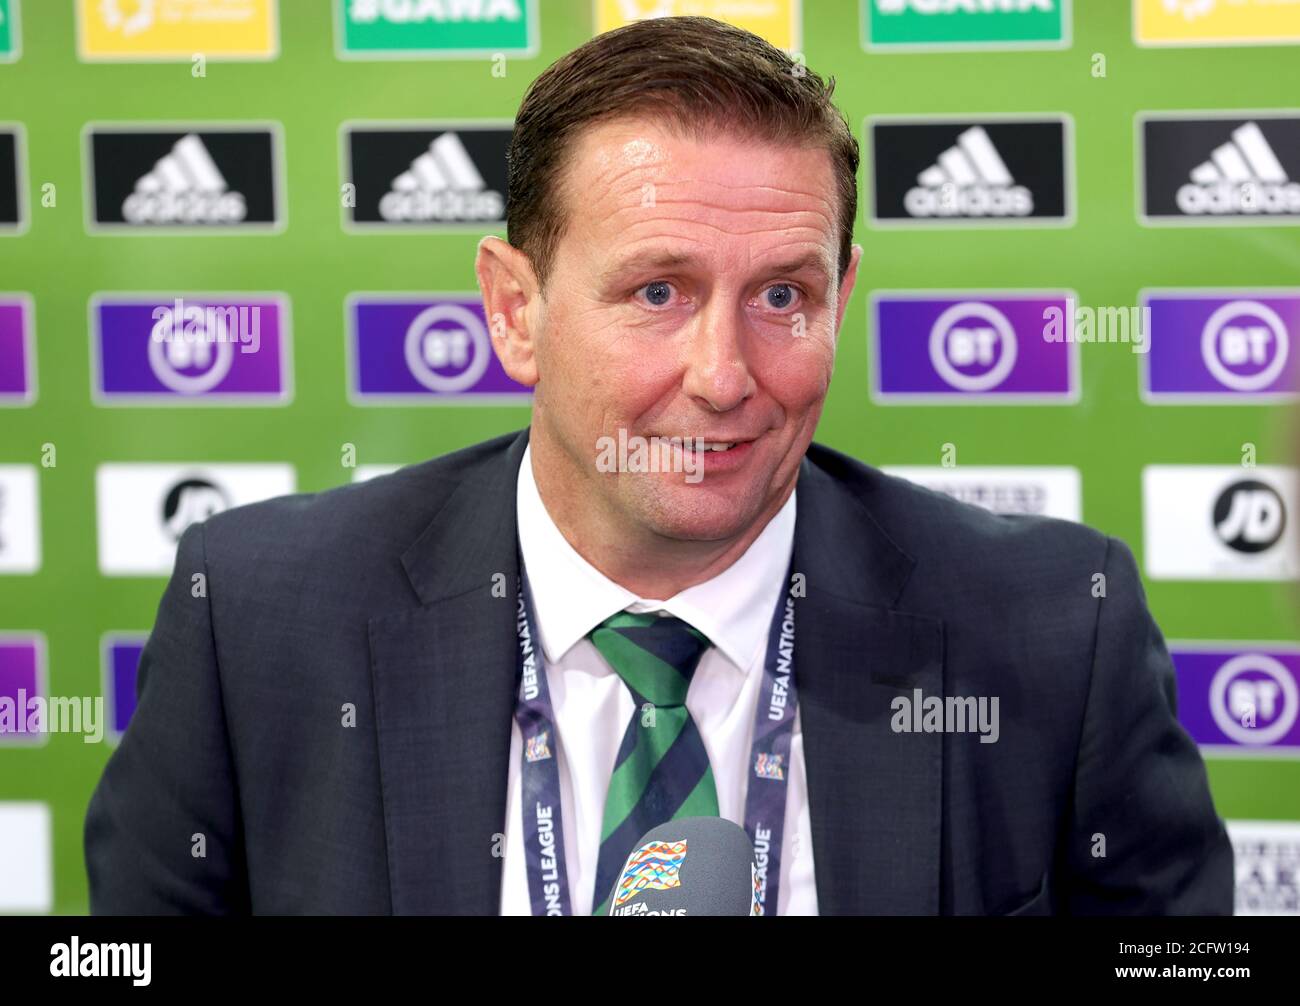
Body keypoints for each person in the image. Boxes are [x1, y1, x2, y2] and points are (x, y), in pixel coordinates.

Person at [85, 16, 1233, 915]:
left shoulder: (1045, 630)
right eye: (656, 292)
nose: (724, 375)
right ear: (514, 308)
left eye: (784, 294)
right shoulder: (259, 616)